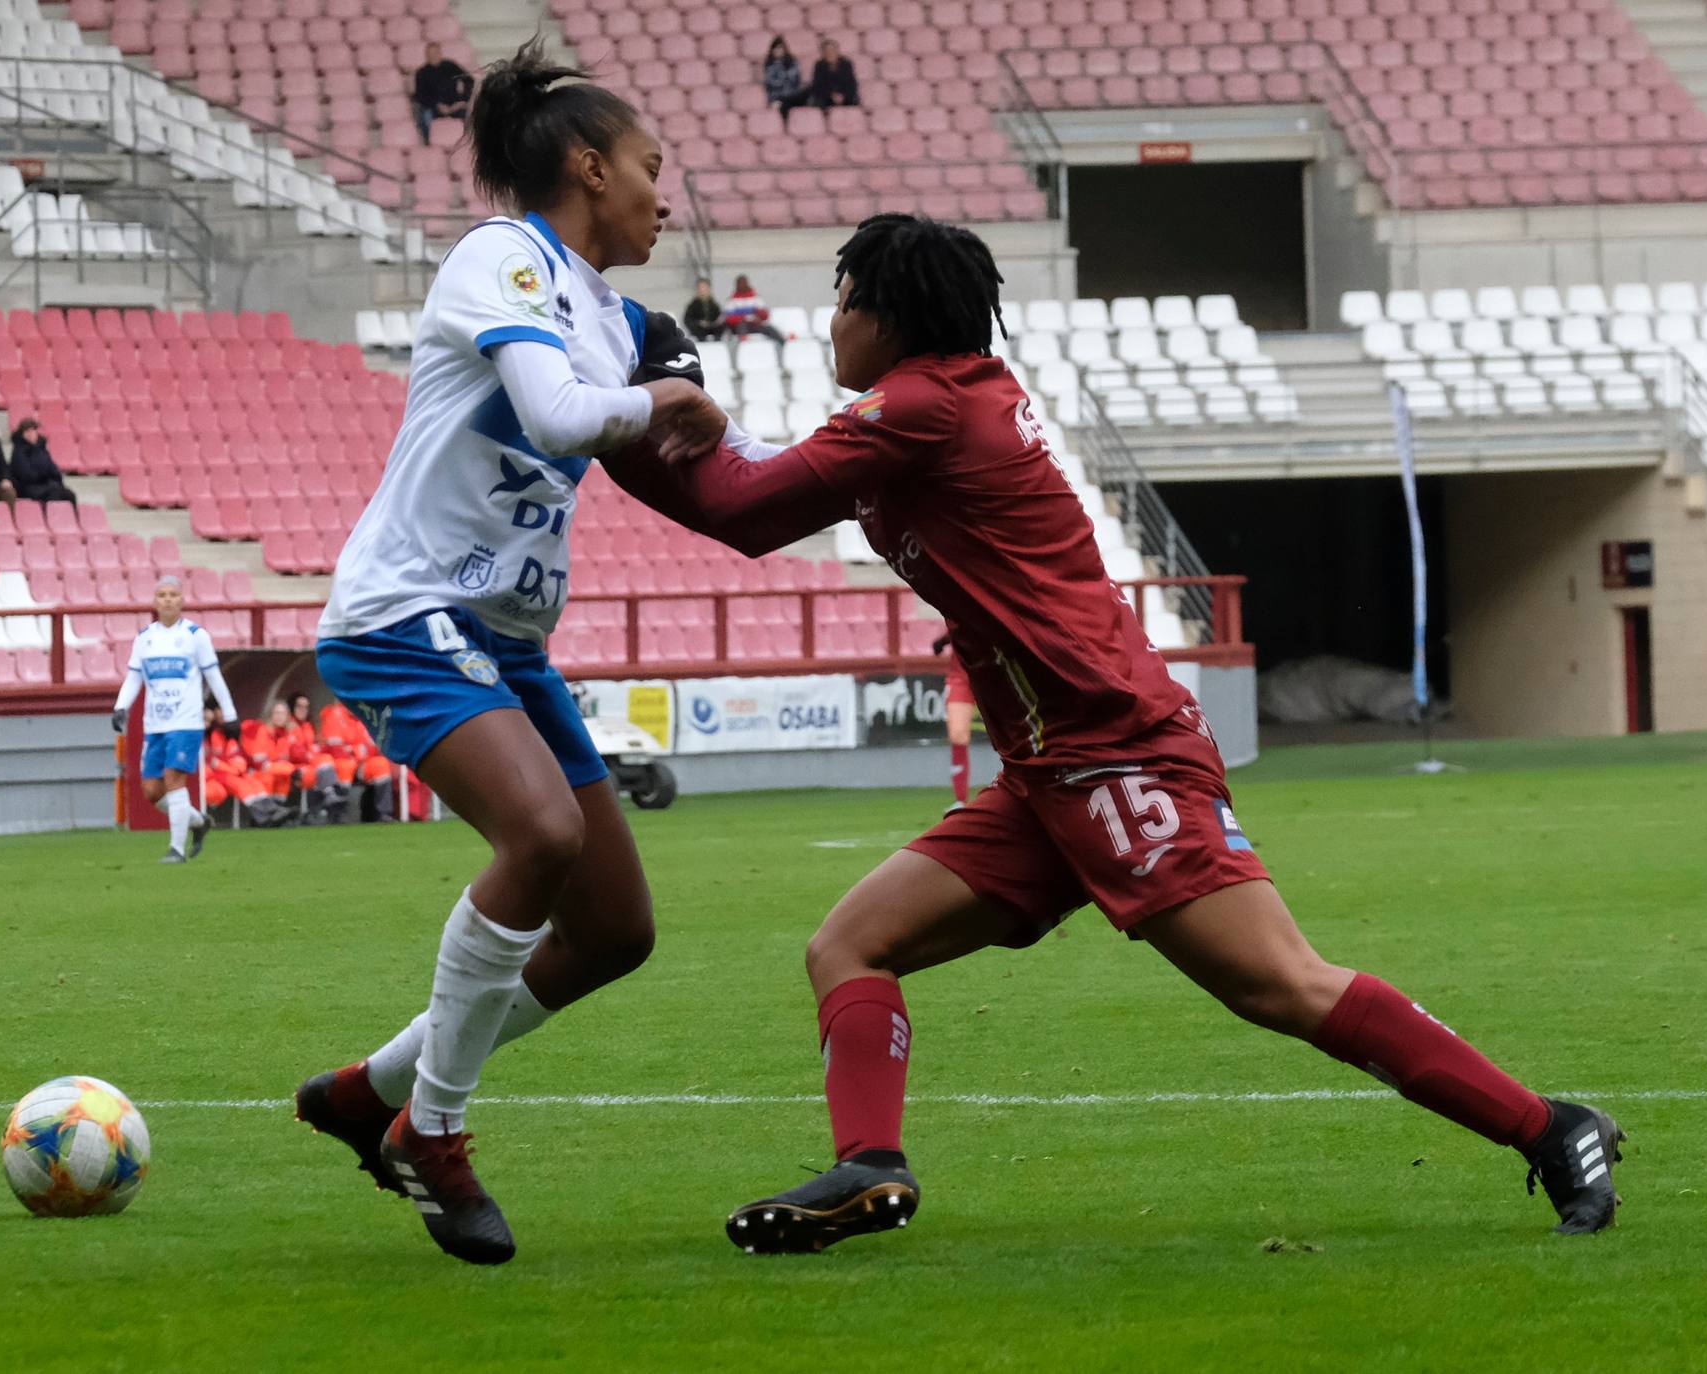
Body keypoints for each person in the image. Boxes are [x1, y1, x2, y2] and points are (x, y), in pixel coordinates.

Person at [607, 213, 1626, 1254]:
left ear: (884, 312)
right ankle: (869, 1168)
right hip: (1052, 768)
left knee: (1276, 982)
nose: (829, 322)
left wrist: (608, 419)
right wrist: (674, 411)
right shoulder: (940, 402)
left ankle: (1550, 1129)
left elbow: (742, 511)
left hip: (1113, 750)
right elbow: (763, 476)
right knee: (849, 944)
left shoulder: (917, 408)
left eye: (840, 299)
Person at [293, 38, 729, 1268]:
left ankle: (367, 1093)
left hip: (506, 639)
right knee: (539, 838)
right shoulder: (501, 258)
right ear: (586, 167)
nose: (663, 189)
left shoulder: (615, 312)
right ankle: (434, 1133)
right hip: (406, 612)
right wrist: (667, 402)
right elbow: (556, 415)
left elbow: (686, 431)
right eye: (650, 165)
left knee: (615, 930)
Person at [112, 576, 239, 864]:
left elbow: (213, 675)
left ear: (182, 600)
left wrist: (229, 713)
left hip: (186, 721)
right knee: (151, 790)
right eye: (162, 595)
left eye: (173, 594)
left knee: (173, 779)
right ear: (155, 602)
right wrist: (121, 707)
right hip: (154, 723)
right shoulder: (145, 638)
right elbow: (134, 676)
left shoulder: (196, 635)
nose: (168, 599)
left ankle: (176, 850)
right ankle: (198, 822)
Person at [932, 632, 975, 811]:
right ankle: (960, 800)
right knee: (958, 736)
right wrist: (944, 640)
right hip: (962, 675)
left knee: (1018, 733)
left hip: (998, 671)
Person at [413, 42, 475, 146]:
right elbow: (420, 96)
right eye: (430, 54)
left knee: (470, 115)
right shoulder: (421, 73)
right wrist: (437, 105)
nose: (434, 56)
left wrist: (463, 100)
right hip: (434, 107)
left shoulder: (451, 66)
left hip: (455, 105)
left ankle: (467, 144)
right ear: (426, 55)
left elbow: (469, 80)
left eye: (436, 53)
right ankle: (429, 145)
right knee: (425, 116)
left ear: (441, 53)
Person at [8, 417, 78, 503]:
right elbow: (26, 474)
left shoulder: (42, 448)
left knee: (69, 495)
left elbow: (52, 468)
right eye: (27, 431)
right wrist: (44, 475)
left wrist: (53, 478)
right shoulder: (19, 451)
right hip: (28, 488)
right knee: (53, 494)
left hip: (46, 485)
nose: (31, 434)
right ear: (22, 434)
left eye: (33, 430)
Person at [723, 274, 787, 343]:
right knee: (741, 325)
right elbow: (728, 318)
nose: (742, 285)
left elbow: (765, 316)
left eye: (744, 283)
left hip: (754, 325)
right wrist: (744, 318)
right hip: (738, 327)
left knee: (769, 328)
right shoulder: (731, 300)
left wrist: (757, 313)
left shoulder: (756, 298)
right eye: (740, 283)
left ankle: (784, 344)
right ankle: (743, 345)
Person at [762, 38, 810, 120]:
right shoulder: (769, 65)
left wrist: (785, 76)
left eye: (780, 48)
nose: (778, 51)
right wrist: (786, 75)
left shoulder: (792, 61)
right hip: (779, 96)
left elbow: (797, 78)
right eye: (776, 48)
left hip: (793, 94)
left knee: (809, 89)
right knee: (784, 104)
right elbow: (773, 83)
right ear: (772, 50)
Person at [809, 38, 860, 109]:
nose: (829, 53)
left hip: (844, 95)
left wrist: (842, 95)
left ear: (837, 51)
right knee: (817, 100)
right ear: (823, 53)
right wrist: (831, 95)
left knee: (853, 100)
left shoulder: (846, 64)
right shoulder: (819, 65)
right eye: (826, 51)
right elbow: (817, 85)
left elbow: (851, 83)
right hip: (827, 96)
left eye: (832, 50)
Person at [681, 276, 726, 342]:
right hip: (699, 329)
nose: (702, 290)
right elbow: (687, 319)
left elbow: (718, 316)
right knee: (699, 331)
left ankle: (717, 344)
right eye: (700, 287)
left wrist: (715, 322)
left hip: (712, 327)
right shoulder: (693, 304)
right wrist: (699, 323)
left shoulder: (713, 304)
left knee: (720, 328)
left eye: (705, 287)